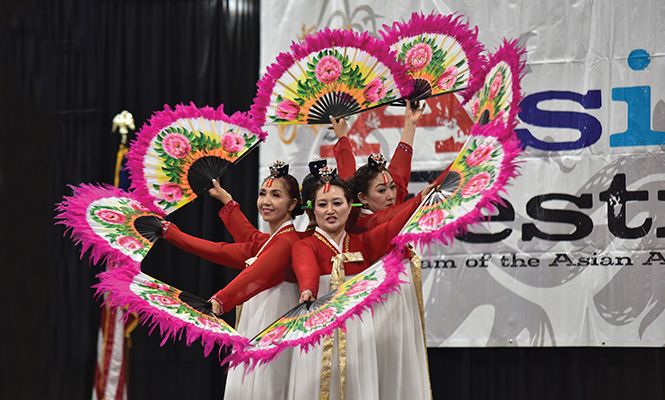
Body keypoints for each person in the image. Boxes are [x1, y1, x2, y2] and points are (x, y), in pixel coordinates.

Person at [287, 167, 434, 400]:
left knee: (361, 384)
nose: (330, 210)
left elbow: (392, 227)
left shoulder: (362, 243)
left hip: (360, 329)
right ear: (313, 210)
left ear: (350, 205)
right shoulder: (305, 245)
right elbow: (307, 268)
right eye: (322, 205)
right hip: (320, 322)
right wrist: (308, 289)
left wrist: (418, 202)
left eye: (337, 203)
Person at [160, 161, 303, 400]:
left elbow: (254, 273)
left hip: (274, 326)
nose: (266, 201)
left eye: (275, 195)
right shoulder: (269, 241)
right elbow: (225, 248)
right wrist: (226, 201)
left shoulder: (288, 242)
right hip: (258, 323)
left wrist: (219, 300)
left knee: (269, 388)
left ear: (293, 204)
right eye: (262, 194)